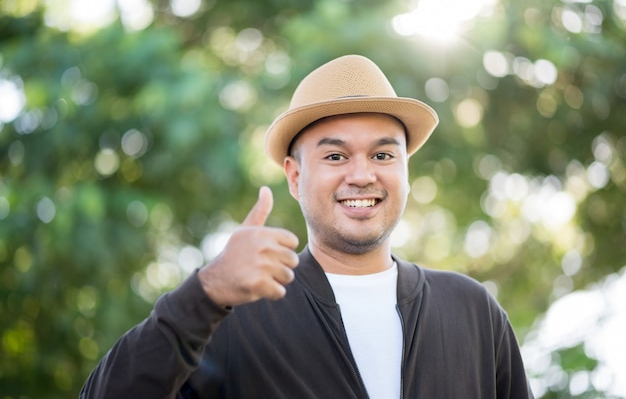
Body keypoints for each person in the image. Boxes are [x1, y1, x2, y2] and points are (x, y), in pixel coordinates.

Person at [81, 55, 534, 398]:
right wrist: (204, 293)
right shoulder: (233, 317)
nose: (362, 174)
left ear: (405, 171)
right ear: (295, 177)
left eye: (383, 155)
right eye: (335, 156)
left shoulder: (473, 313)